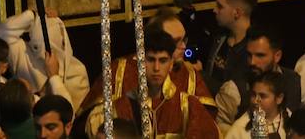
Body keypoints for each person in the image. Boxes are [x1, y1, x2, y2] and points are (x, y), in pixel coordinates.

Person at [80, 28, 219, 139]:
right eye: (151, 60)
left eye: (163, 60)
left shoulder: (187, 107)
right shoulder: (120, 106)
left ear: (171, 64)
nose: (156, 68)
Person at [214, 27, 301, 129]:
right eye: (249, 55)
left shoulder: (292, 80)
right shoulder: (233, 89)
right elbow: (219, 129)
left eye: (260, 55)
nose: (252, 62)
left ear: (277, 56)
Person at [224, 70, 287, 139]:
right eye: (253, 95)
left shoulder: (290, 122)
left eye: (262, 96)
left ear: (279, 98)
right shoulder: (239, 129)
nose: (255, 101)